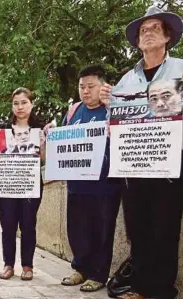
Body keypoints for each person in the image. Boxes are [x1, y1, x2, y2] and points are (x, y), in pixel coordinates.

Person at [99, 7, 183, 299]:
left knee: (165, 229)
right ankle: (140, 287)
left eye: (154, 28)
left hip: (169, 165)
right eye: (142, 30)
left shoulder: (181, 70)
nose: (147, 33)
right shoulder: (124, 82)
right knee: (138, 229)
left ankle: (161, 290)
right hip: (133, 168)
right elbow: (118, 123)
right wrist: (110, 105)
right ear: (136, 41)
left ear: (167, 36)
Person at [47, 65, 123, 293]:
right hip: (76, 184)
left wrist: (113, 111)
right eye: (82, 87)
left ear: (103, 86)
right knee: (77, 228)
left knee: (102, 229)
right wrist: (50, 134)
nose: (86, 91)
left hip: (105, 184)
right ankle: (80, 268)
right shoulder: (73, 111)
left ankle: (99, 274)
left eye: (91, 86)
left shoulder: (114, 109)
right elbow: (62, 143)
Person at [0, 87, 45, 281]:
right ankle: (8, 265)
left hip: (30, 185)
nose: (20, 107)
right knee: (8, 226)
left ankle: (28, 266)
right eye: (16, 103)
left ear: (31, 104)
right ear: (12, 106)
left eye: (24, 102)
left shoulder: (41, 129)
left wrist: (44, 143)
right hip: (7, 185)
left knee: (28, 225)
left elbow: (45, 159)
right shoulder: (3, 130)